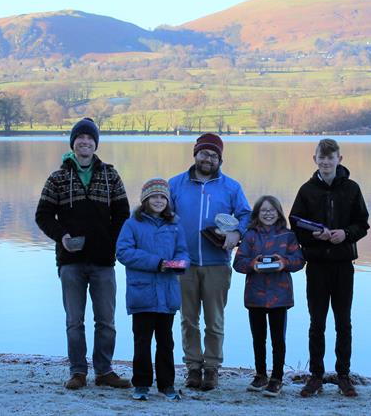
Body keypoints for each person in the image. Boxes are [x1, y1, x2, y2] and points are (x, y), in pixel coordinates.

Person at [35, 117, 131, 390]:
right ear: (73, 143)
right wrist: (61, 235)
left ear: (95, 144)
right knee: (74, 321)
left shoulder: (110, 175)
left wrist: (110, 242)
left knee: (106, 321)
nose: (85, 142)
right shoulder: (58, 177)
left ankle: (104, 371)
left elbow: (123, 215)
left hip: (103, 261)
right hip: (70, 261)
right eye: (80, 138)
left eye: (90, 138)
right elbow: (42, 215)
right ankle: (77, 372)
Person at [169, 133, 251, 391]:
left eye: (214, 155)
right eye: (204, 153)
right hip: (184, 263)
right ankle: (193, 366)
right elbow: (162, 216)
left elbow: (247, 215)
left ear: (220, 159)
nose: (208, 158)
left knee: (214, 319)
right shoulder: (175, 184)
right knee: (188, 319)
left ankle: (212, 368)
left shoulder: (231, 187)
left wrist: (236, 235)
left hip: (217, 263)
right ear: (195, 155)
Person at [289, 138, 369, 397]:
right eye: (321, 158)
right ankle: (316, 375)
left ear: (339, 159)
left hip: (344, 263)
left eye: (330, 157)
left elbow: (363, 223)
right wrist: (316, 236)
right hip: (316, 265)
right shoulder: (306, 190)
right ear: (315, 160)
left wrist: (345, 234)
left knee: (343, 322)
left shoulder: (352, 188)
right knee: (317, 322)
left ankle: (343, 374)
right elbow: (295, 226)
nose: (325, 162)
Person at [116, 178, 190, 401]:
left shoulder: (175, 223)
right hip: (142, 293)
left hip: (167, 294)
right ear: (145, 199)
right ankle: (141, 384)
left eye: (162, 197)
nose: (158, 201)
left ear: (167, 201)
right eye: (154, 197)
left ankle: (167, 385)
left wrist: (181, 264)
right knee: (142, 341)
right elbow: (124, 252)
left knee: (166, 342)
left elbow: (183, 251)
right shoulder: (132, 224)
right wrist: (157, 263)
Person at [233, 195, 305, 397]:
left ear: (279, 213)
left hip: (280, 295)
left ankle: (277, 378)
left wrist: (283, 262)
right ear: (257, 213)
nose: (268, 214)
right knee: (258, 338)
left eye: (272, 210)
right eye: (263, 210)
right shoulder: (249, 236)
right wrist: (253, 264)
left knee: (277, 339)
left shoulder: (288, 235)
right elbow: (238, 263)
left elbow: (299, 261)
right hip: (255, 294)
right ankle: (261, 374)